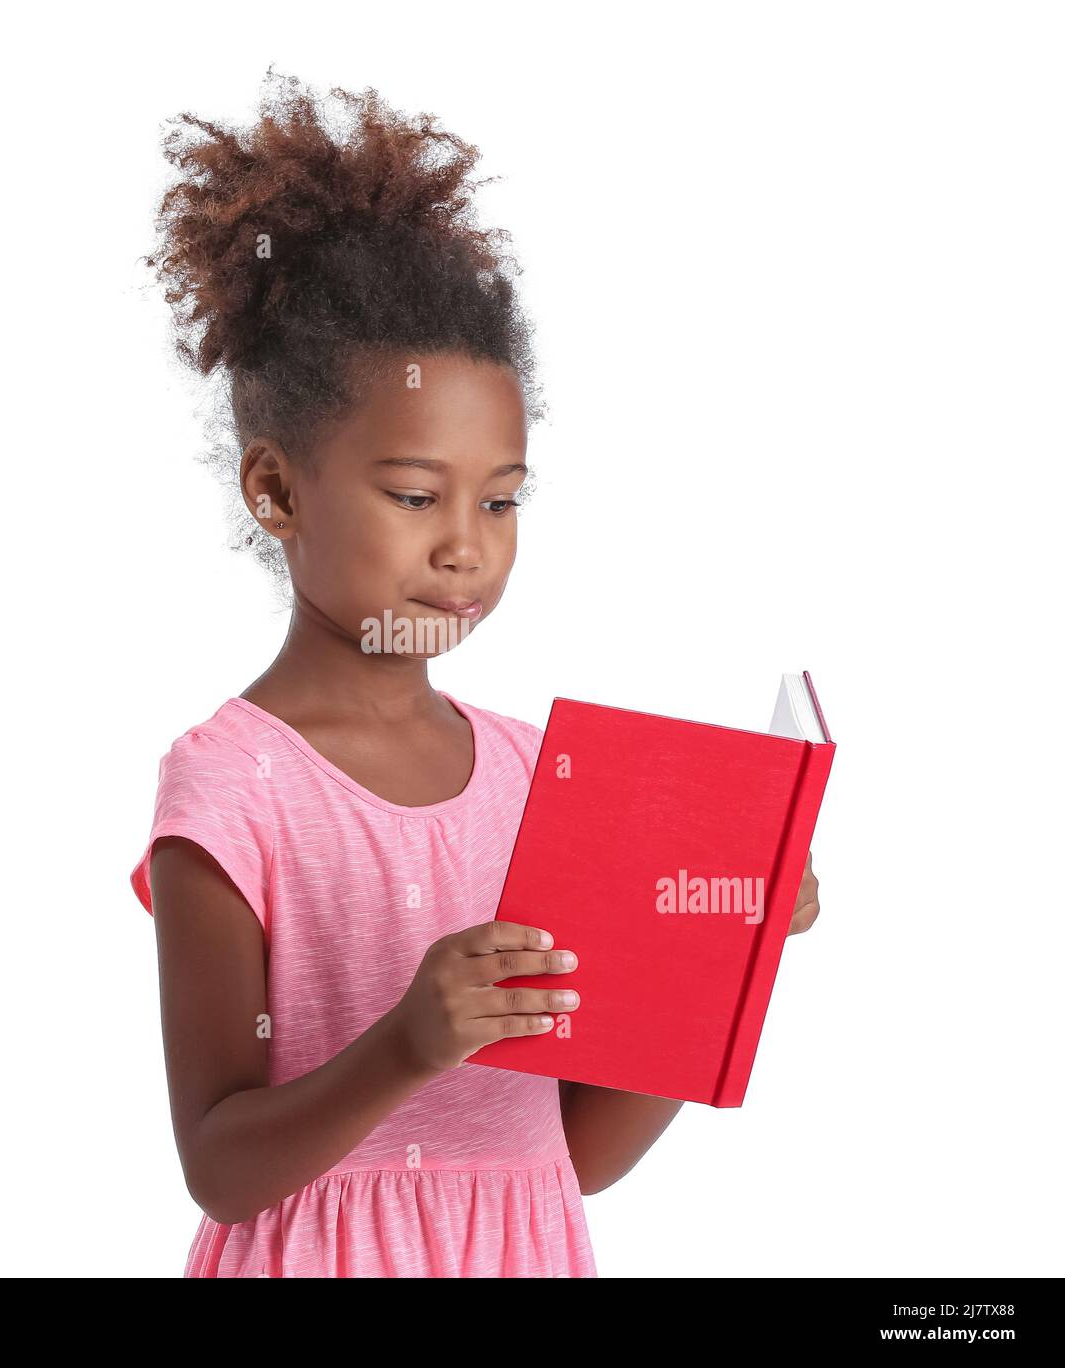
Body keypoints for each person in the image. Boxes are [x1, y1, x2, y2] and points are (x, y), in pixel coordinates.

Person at [128, 71, 821, 1277]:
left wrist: (726, 956)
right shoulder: (229, 787)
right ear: (278, 491)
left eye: (500, 500)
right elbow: (220, 1162)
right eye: (413, 496)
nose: (466, 545)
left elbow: (574, 1153)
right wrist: (407, 1043)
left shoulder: (536, 774)